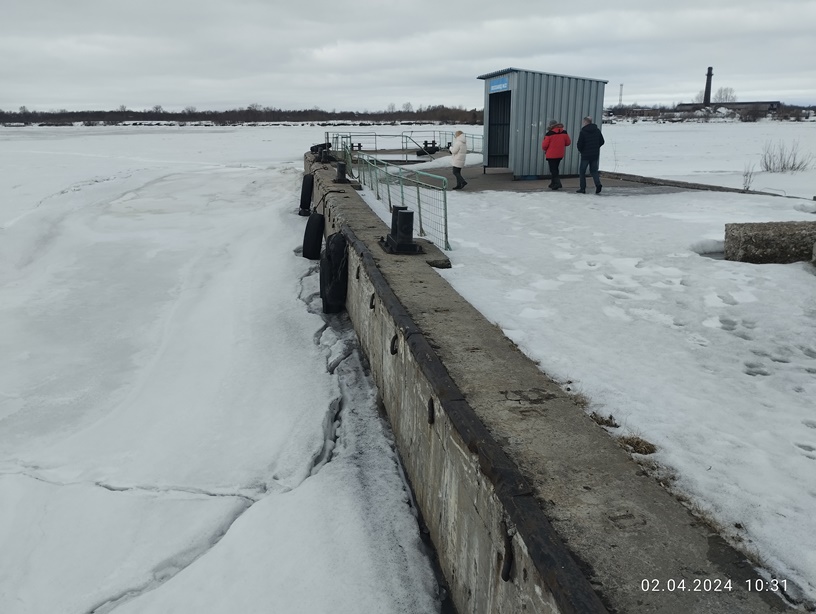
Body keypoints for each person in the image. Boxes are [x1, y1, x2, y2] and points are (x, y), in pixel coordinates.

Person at [575, 116, 605, 194]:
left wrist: (581, 150)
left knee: (582, 171)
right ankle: (598, 184)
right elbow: (602, 141)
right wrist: (596, 147)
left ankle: (582, 188)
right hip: (595, 154)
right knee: (594, 171)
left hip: (585, 155)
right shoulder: (597, 130)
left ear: (585, 122)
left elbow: (579, 144)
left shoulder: (583, 131)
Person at [541, 120, 571, 190]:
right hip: (560, 154)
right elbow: (568, 142)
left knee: (553, 169)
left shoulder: (549, 134)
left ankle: (557, 183)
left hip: (551, 155)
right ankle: (553, 183)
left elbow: (544, 146)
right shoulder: (564, 132)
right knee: (555, 168)